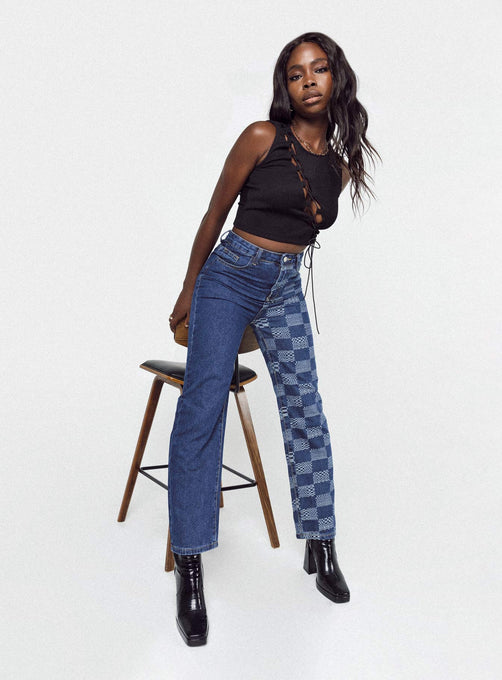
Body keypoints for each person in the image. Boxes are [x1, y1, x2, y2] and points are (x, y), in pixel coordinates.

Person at [166, 31, 380, 646]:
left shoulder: (338, 165)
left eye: (319, 68)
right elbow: (214, 215)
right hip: (229, 276)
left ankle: (321, 541)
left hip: (284, 287)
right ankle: (190, 565)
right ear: (285, 86)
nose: (308, 80)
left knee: (306, 410)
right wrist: (188, 292)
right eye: (295, 73)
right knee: (203, 408)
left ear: (336, 78)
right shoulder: (262, 137)